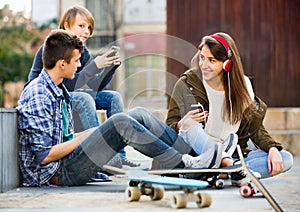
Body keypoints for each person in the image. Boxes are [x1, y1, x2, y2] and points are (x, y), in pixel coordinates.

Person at [17, 29, 233, 187]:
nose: (79, 65)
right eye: (76, 60)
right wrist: (85, 137)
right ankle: (186, 166)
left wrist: (89, 134)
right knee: (119, 123)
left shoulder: (57, 89)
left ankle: (185, 157)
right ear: (62, 63)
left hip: (67, 162)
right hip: (58, 173)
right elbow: (43, 156)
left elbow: (61, 139)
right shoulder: (39, 94)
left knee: (138, 114)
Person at [166, 32, 293, 185]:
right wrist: (182, 124)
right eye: (202, 57)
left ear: (227, 63)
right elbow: (170, 125)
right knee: (190, 127)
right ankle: (230, 169)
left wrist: (272, 147)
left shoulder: (243, 86)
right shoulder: (188, 83)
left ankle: (223, 172)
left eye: (211, 60)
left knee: (285, 158)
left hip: (233, 152)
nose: (204, 65)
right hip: (199, 153)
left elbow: (255, 127)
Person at [26, 5, 139, 168]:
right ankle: (99, 156)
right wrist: (95, 66)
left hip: (66, 95)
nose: (87, 31)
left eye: (89, 28)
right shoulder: (52, 47)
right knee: (83, 97)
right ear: (66, 25)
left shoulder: (82, 51)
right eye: (81, 26)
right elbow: (68, 85)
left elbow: (96, 85)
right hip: (48, 97)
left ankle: (119, 155)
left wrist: (109, 67)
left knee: (113, 97)